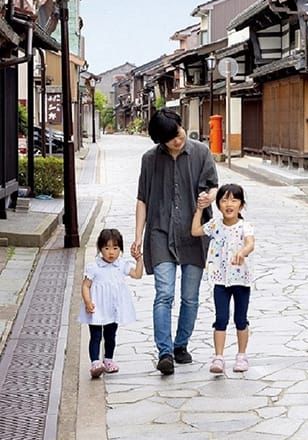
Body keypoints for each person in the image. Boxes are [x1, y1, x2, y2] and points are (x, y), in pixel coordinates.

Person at [131, 109, 218, 376]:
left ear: (182, 127)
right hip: (160, 232)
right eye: (170, 140)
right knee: (164, 294)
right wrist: (138, 236)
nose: (177, 141)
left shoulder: (201, 152)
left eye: (178, 134)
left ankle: (181, 345)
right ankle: (165, 352)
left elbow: (214, 186)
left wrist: (209, 198)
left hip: (194, 232)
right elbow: (142, 199)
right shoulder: (150, 160)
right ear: (160, 142)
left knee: (190, 297)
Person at [191, 182, 255, 376]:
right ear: (218, 204)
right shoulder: (214, 225)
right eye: (224, 199)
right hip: (220, 279)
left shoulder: (245, 226)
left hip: (241, 280)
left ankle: (241, 355)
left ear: (241, 205)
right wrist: (199, 210)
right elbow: (194, 231)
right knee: (220, 318)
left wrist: (242, 252)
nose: (229, 204)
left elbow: (250, 244)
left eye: (234, 200)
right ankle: (218, 357)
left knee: (241, 319)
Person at [79, 228, 143, 379]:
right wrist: (88, 302)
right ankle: (95, 362)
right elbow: (85, 285)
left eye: (115, 248)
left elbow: (137, 275)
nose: (111, 252)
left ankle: (108, 360)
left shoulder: (121, 265)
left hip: (113, 308)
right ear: (100, 248)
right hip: (96, 307)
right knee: (95, 335)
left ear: (120, 249)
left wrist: (139, 260)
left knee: (110, 335)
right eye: (107, 248)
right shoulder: (94, 267)